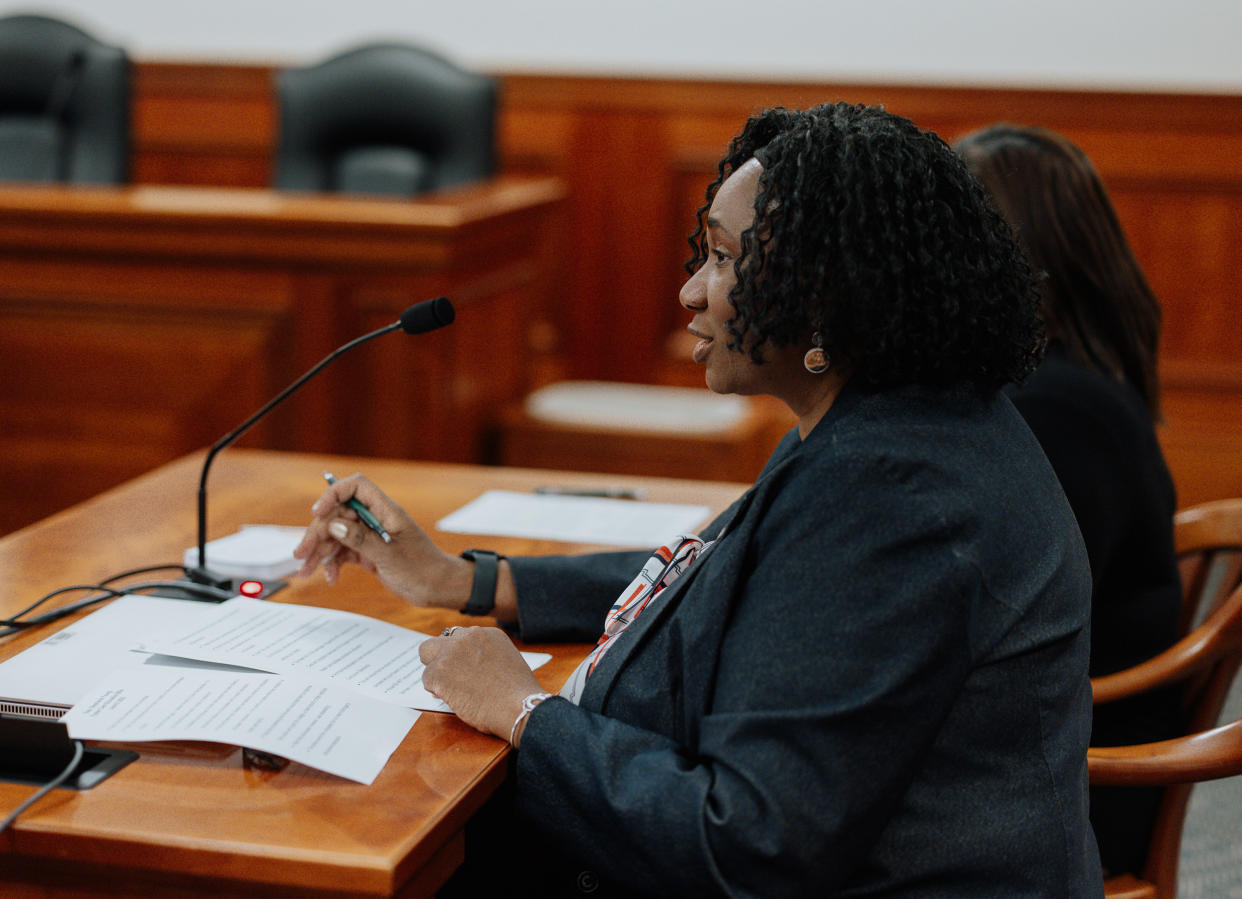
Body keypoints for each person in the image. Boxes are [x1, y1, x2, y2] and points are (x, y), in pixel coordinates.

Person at [294, 103, 1104, 897]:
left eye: (721, 258)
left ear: (824, 297)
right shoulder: (894, 419)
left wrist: (523, 712)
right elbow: (713, 568)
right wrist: (463, 581)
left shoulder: (891, 500)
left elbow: (748, 842)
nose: (690, 291)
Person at [956, 123, 1182, 878]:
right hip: (1047, 758)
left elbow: (981, 624)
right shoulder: (1069, 389)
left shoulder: (1058, 412)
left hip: (1068, 797)